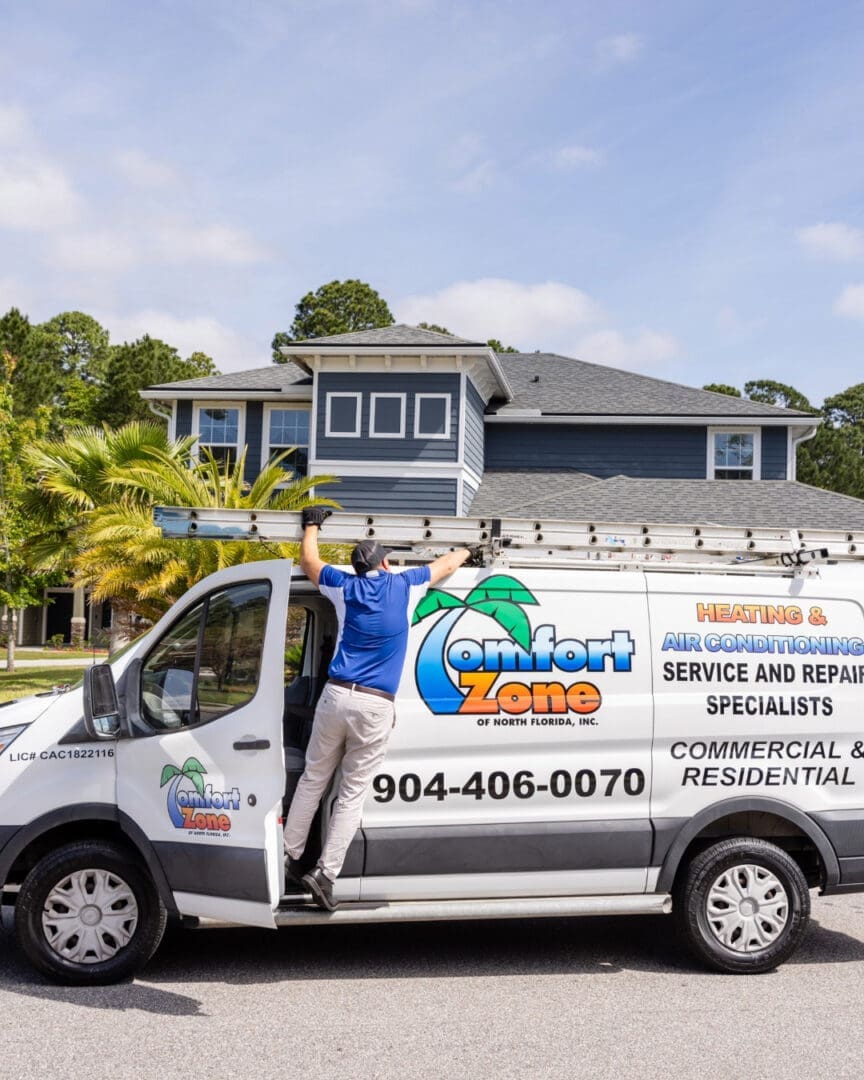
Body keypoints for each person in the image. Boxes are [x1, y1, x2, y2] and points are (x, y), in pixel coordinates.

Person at [283, 506, 473, 911]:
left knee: (314, 779)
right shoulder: (403, 585)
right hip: (374, 706)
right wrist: (468, 551)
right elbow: (444, 564)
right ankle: (325, 874)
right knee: (350, 794)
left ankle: (286, 855)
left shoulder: (344, 586)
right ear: (385, 562)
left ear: (357, 567)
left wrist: (312, 525)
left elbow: (309, 561)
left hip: (335, 696)